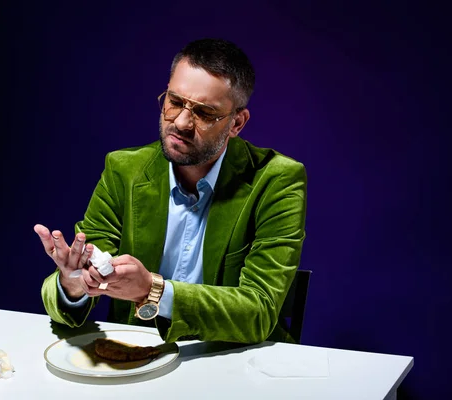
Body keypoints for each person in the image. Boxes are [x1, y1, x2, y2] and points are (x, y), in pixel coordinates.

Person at [34, 38, 307, 344]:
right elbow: (86, 267)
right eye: (175, 102)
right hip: (136, 353)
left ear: (237, 123)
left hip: (232, 359)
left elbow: (260, 311)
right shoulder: (124, 170)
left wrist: (152, 290)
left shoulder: (277, 180)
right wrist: (74, 285)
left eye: (204, 113)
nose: (181, 122)